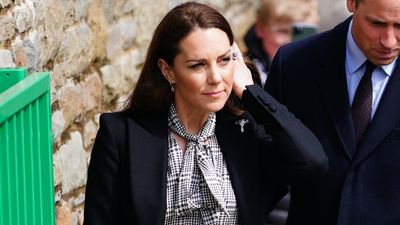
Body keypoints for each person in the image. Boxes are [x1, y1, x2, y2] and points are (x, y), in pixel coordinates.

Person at [83, 2, 328, 225]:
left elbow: (313, 163)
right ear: (167, 70)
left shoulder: (243, 131)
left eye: (224, 60)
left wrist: (251, 93)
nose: (215, 78)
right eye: (198, 65)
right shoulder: (121, 136)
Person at [265, 0, 400, 224]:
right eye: (376, 23)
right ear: (351, 3)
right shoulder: (294, 64)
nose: (389, 41)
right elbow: (265, 170)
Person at [244, 0, 319, 88]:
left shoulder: (320, 69)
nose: (292, 42)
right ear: (260, 29)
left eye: (301, 33)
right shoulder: (246, 72)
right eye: (283, 31)